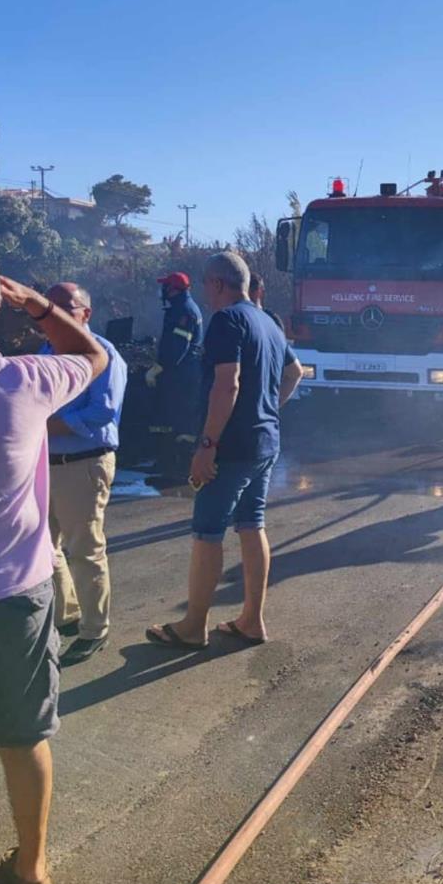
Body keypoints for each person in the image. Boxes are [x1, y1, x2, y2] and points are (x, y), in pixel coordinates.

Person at [0, 253, 107, 884]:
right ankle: (32, 871)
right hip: (19, 595)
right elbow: (94, 352)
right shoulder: (24, 379)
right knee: (24, 739)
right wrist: (36, 306)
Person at [146, 253, 302, 651]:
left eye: (205, 286)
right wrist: (268, 409)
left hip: (231, 446)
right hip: (265, 441)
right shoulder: (269, 322)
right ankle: (252, 620)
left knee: (207, 530)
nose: (204, 293)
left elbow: (226, 385)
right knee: (252, 523)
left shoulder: (227, 321)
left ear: (217, 284)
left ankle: (193, 625)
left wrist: (207, 445)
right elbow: (294, 372)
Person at [42, 282, 128, 666]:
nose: (55, 314)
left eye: (65, 307)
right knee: (45, 547)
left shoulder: (105, 355)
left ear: (85, 314)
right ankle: (67, 615)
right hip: (45, 464)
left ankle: (95, 629)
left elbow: (101, 414)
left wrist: (49, 424)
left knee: (84, 550)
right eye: (49, 306)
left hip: (84, 464)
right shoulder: (45, 353)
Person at [146, 271, 204, 479]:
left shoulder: (184, 311)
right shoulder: (180, 308)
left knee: (179, 419)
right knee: (170, 419)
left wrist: (159, 367)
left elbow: (178, 346)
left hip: (182, 375)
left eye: (165, 286)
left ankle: (180, 465)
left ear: (173, 289)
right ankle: (167, 461)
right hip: (179, 372)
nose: (162, 290)